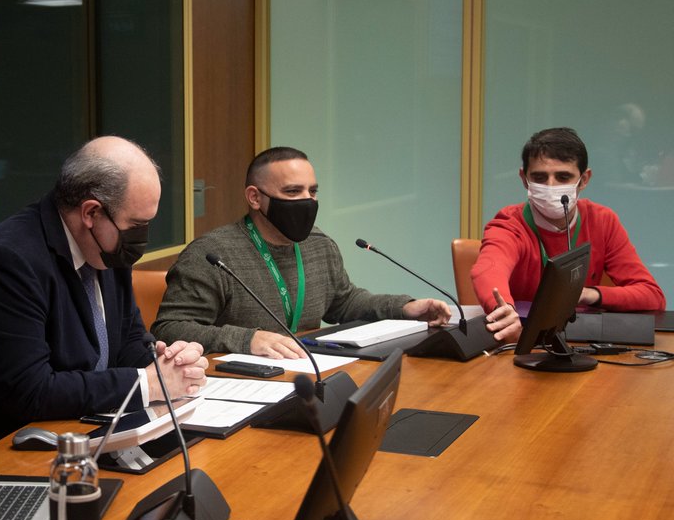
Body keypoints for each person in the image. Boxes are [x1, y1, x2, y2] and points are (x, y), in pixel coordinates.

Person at [0, 137, 208, 482]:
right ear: (92, 213)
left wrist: (168, 364)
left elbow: (127, 339)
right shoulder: (9, 261)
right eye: (136, 226)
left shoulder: (106, 249)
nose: (142, 238)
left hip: (75, 436)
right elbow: (30, 392)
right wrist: (148, 385)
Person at [152, 147, 450, 358]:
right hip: (235, 384)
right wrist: (247, 339)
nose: (308, 201)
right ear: (255, 198)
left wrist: (405, 308)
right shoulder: (211, 255)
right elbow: (170, 328)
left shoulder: (318, 244)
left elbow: (343, 302)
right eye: (293, 192)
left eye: (313, 191)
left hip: (306, 374)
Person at [472, 127, 665, 343]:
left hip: (580, 342)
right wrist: (504, 309)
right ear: (524, 179)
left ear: (583, 180)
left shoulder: (602, 220)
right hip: (521, 341)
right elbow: (487, 271)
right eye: (539, 177)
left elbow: (651, 296)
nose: (551, 186)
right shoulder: (508, 223)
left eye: (563, 177)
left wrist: (588, 294)